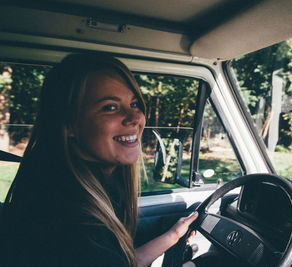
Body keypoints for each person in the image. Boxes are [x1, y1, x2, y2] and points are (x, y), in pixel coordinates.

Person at [0, 53, 198, 267]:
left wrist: (174, 235)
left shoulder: (82, 192)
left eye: (134, 103)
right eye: (110, 107)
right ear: (70, 125)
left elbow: (124, 262)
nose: (134, 118)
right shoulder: (74, 227)